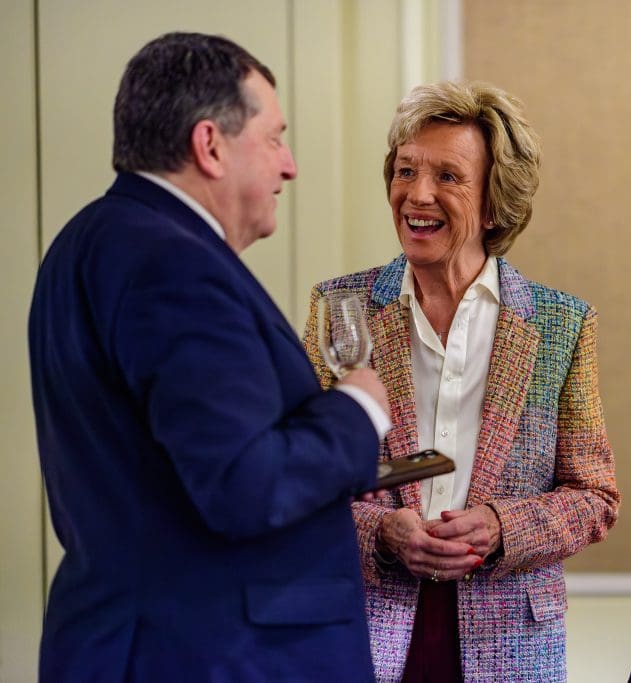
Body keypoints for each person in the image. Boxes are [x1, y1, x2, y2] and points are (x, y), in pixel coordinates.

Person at [28, 32, 392, 682]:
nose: (289, 166)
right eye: (274, 138)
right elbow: (245, 485)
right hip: (211, 655)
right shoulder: (172, 264)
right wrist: (358, 411)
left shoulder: (90, 240)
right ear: (210, 145)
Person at [304, 80, 620, 683]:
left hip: (511, 641)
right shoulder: (339, 308)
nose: (416, 194)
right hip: (360, 628)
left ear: (495, 204)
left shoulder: (561, 325)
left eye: (448, 176)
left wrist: (503, 527)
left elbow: (594, 497)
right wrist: (380, 531)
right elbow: (303, 481)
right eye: (405, 171)